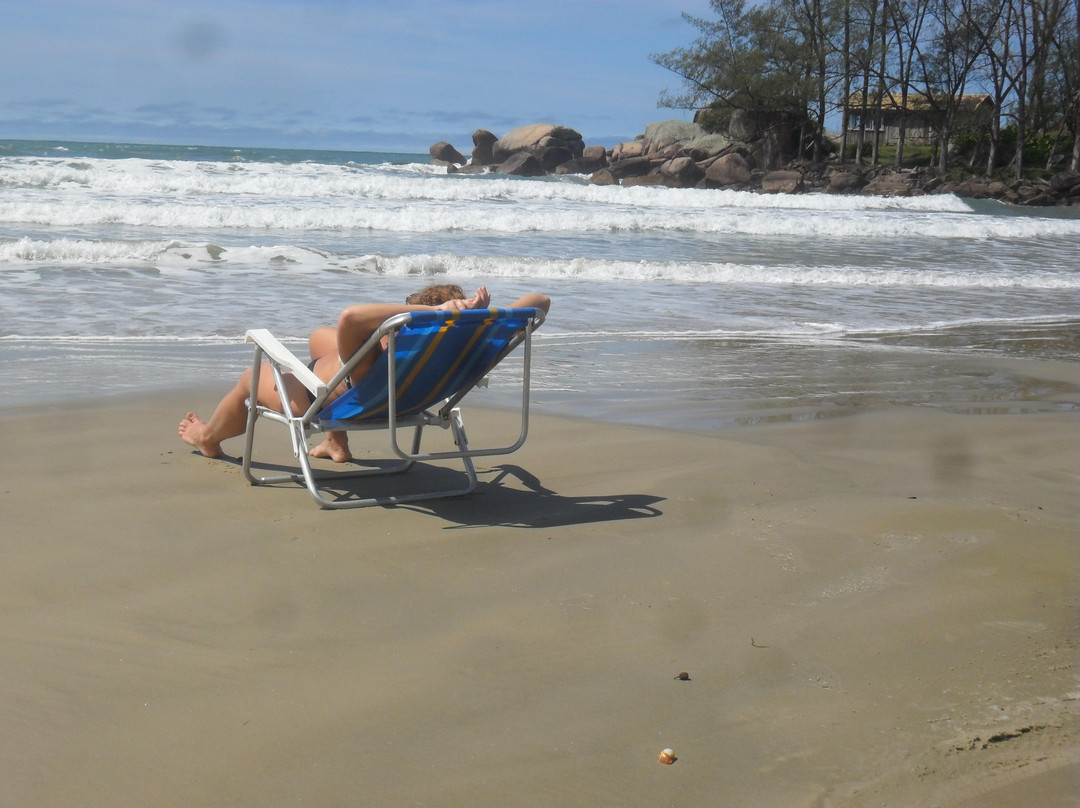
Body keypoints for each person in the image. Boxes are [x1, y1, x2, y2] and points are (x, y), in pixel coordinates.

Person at [178, 285, 551, 462]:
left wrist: (427, 311)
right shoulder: (471, 347)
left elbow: (352, 317)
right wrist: (472, 317)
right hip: (410, 397)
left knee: (250, 377)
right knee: (318, 338)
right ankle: (336, 445)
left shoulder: (376, 361)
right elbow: (540, 301)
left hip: (324, 397)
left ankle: (208, 437)